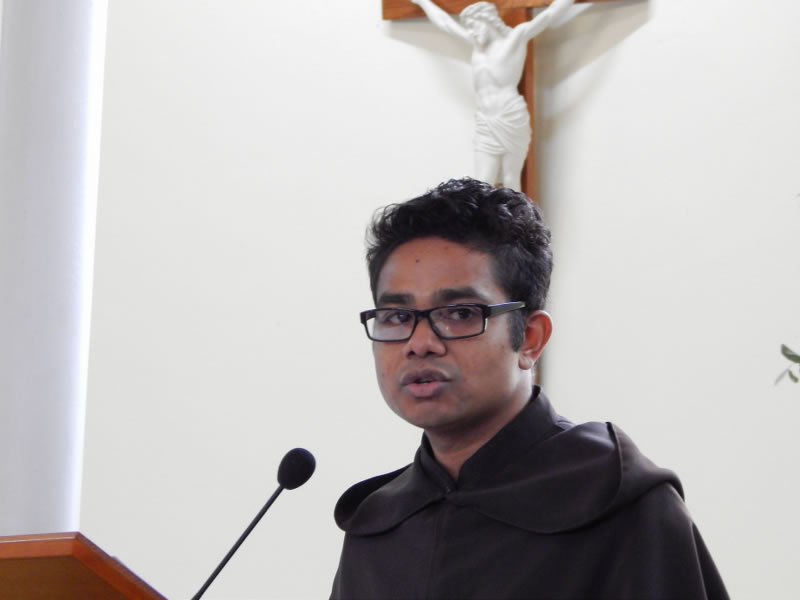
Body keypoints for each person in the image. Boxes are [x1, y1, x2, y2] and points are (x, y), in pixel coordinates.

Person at [330, 178, 729, 599]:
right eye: (396, 317)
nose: (420, 343)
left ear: (531, 339)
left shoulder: (618, 502)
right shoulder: (378, 525)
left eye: (460, 313)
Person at [411, 0, 576, 191]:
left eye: (474, 26)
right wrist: (423, 2)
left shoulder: (515, 38)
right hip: (485, 121)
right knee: (482, 183)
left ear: (488, 21)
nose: (472, 32)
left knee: (511, 180)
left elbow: (549, 14)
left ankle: (518, 212)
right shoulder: (477, 47)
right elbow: (445, 23)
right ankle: (484, 213)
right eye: (469, 28)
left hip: (510, 116)